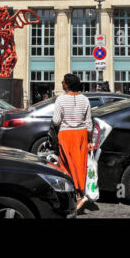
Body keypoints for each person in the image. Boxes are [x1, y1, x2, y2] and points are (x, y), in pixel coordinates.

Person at [52, 73, 93, 211]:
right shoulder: (85, 99)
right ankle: (79, 193)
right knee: (79, 165)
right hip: (81, 135)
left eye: (63, 81)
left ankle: (77, 196)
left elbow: (56, 120)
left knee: (66, 166)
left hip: (66, 135)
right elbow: (89, 124)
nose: (61, 83)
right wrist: (90, 140)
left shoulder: (61, 99)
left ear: (67, 84)